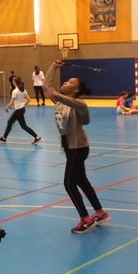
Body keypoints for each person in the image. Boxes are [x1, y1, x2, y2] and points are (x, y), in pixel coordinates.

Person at [45, 59, 109, 234]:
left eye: (70, 82)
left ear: (76, 90)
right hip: (68, 146)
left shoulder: (80, 104)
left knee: (69, 183)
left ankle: (85, 218)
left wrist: (52, 91)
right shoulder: (60, 102)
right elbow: (47, 87)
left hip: (78, 147)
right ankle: (100, 213)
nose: (65, 82)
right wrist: (53, 67)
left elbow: (52, 92)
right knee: (81, 180)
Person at [0, 76, 41, 144]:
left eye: (13, 81)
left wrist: (6, 107)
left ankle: (4, 138)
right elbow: (29, 100)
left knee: (10, 122)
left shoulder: (15, 91)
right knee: (23, 126)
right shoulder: (23, 90)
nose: (12, 82)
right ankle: (36, 137)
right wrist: (23, 105)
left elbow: (11, 102)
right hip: (22, 109)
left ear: (15, 82)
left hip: (19, 110)